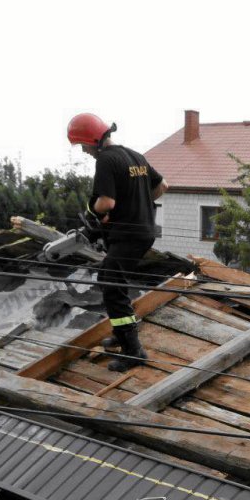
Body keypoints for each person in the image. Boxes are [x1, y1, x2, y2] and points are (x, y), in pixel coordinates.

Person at [67, 113, 166, 372]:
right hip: (143, 232)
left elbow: (106, 203)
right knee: (112, 281)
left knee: (112, 286)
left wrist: (92, 211)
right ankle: (122, 335)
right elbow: (162, 186)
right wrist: (138, 204)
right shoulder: (135, 156)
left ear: (93, 140)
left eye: (83, 145)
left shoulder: (106, 160)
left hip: (127, 236)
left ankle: (133, 351)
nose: (84, 151)